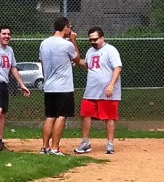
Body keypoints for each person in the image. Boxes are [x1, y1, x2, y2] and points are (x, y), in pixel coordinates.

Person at [39, 16, 85, 156]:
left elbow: (42, 61)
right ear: (65, 28)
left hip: (49, 86)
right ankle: (55, 148)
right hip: (63, 86)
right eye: (70, 27)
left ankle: (45, 147)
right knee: (62, 116)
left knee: (50, 116)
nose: (71, 29)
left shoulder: (44, 43)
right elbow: (77, 59)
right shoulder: (67, 44)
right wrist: (73, 40)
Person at [74, 27, 122, 155]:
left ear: (102, 38)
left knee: (109, 117)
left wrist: (111, 85)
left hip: (108, 91)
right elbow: (86, 64)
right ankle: (85, 142)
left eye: (95, 39)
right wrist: (74, 45)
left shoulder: (110, 50)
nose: (93, 42)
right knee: (85, 114)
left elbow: (117, 68)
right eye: (90, 40)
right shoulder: (90, 51)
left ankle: (110, 143)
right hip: (91, 90)